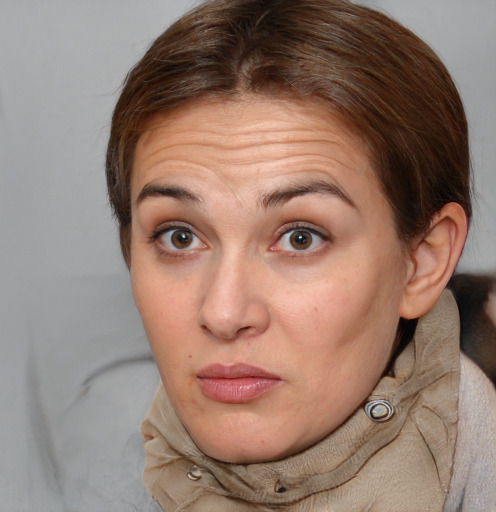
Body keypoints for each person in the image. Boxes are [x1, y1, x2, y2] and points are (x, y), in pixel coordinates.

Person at [105, 0, 496, 510]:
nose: (223, 313)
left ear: (421, 262)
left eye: (300, 238)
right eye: (179, 237)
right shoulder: (100, 470)